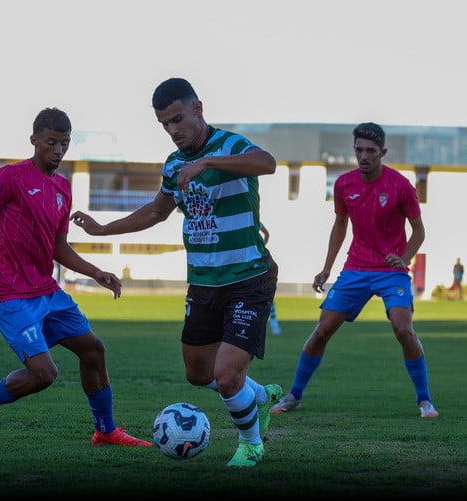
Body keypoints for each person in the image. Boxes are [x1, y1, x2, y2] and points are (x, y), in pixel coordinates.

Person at [70, 77, 282, 467]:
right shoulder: (173, 164)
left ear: (198, 108)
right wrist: (102, 230)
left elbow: (267, 163)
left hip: (248, 279)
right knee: (199, 374)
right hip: (203, 283)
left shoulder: (230, 146)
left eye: (178, 119)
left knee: (227, 376)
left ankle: (251, 445)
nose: (173, 130)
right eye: (165, 124)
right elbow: (156, 211)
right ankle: (259, 396)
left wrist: (207, 162)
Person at [0, 107, 151, 449]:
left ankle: (105, 430)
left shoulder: (63, 187)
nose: (58, 150)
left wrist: (96, 272)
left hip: (46, 291)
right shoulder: (10, 177)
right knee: (44, 374)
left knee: (93, 350)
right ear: (34, 140)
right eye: (51, 142)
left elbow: (58, 247)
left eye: (64, 143)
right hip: (8, 292)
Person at [271, 122, 438, 419]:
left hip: (391, 272)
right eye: (359, 150)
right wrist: (326, 268)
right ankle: (294, 395)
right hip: (356, 268)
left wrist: (404, 258)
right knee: (322, 331)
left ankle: (425, 400)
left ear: (382, 152)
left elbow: (419, 231)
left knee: (403, 329)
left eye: (371, 151)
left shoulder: (400, 186)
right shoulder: (344, 184)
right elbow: (340, 225)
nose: (363, 156)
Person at [259, 222, 282, 335]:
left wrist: (261, 246)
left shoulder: (254, 220)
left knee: (267, 291)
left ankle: (273, 321)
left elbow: (266, 234)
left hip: (258, 263)